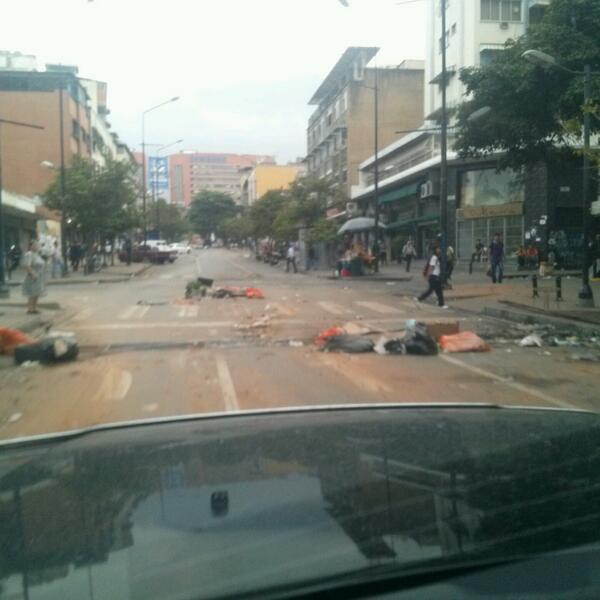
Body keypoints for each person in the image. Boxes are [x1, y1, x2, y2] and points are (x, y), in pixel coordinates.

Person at [22, 239, 46, 314]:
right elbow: (27, 266)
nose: (36, 246)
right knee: (32, 293)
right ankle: (30, 309)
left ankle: (34, 308)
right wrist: (33, 274)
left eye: (37, 245)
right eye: (35, 245)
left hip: (39, 276)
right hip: (32, 276)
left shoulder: (37, 254)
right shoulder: (29, 254)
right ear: (31, 246)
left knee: (37, 293)